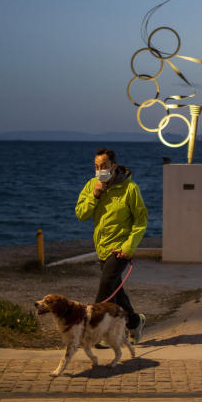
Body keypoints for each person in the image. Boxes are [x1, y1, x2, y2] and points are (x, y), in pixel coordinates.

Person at [75, 147, 148, 344]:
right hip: (102, 247)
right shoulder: (92, 185)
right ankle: (134, 322)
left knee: (106, 288)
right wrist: (94, 196)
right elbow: (81, 214)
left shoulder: (130, 189)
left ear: (114, 166)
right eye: (97, 166)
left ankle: (95, 331)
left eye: (104, 166)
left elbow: (141, 221)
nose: (100, 170)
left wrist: (128, 247)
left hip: (120, 250)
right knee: (117, 292)